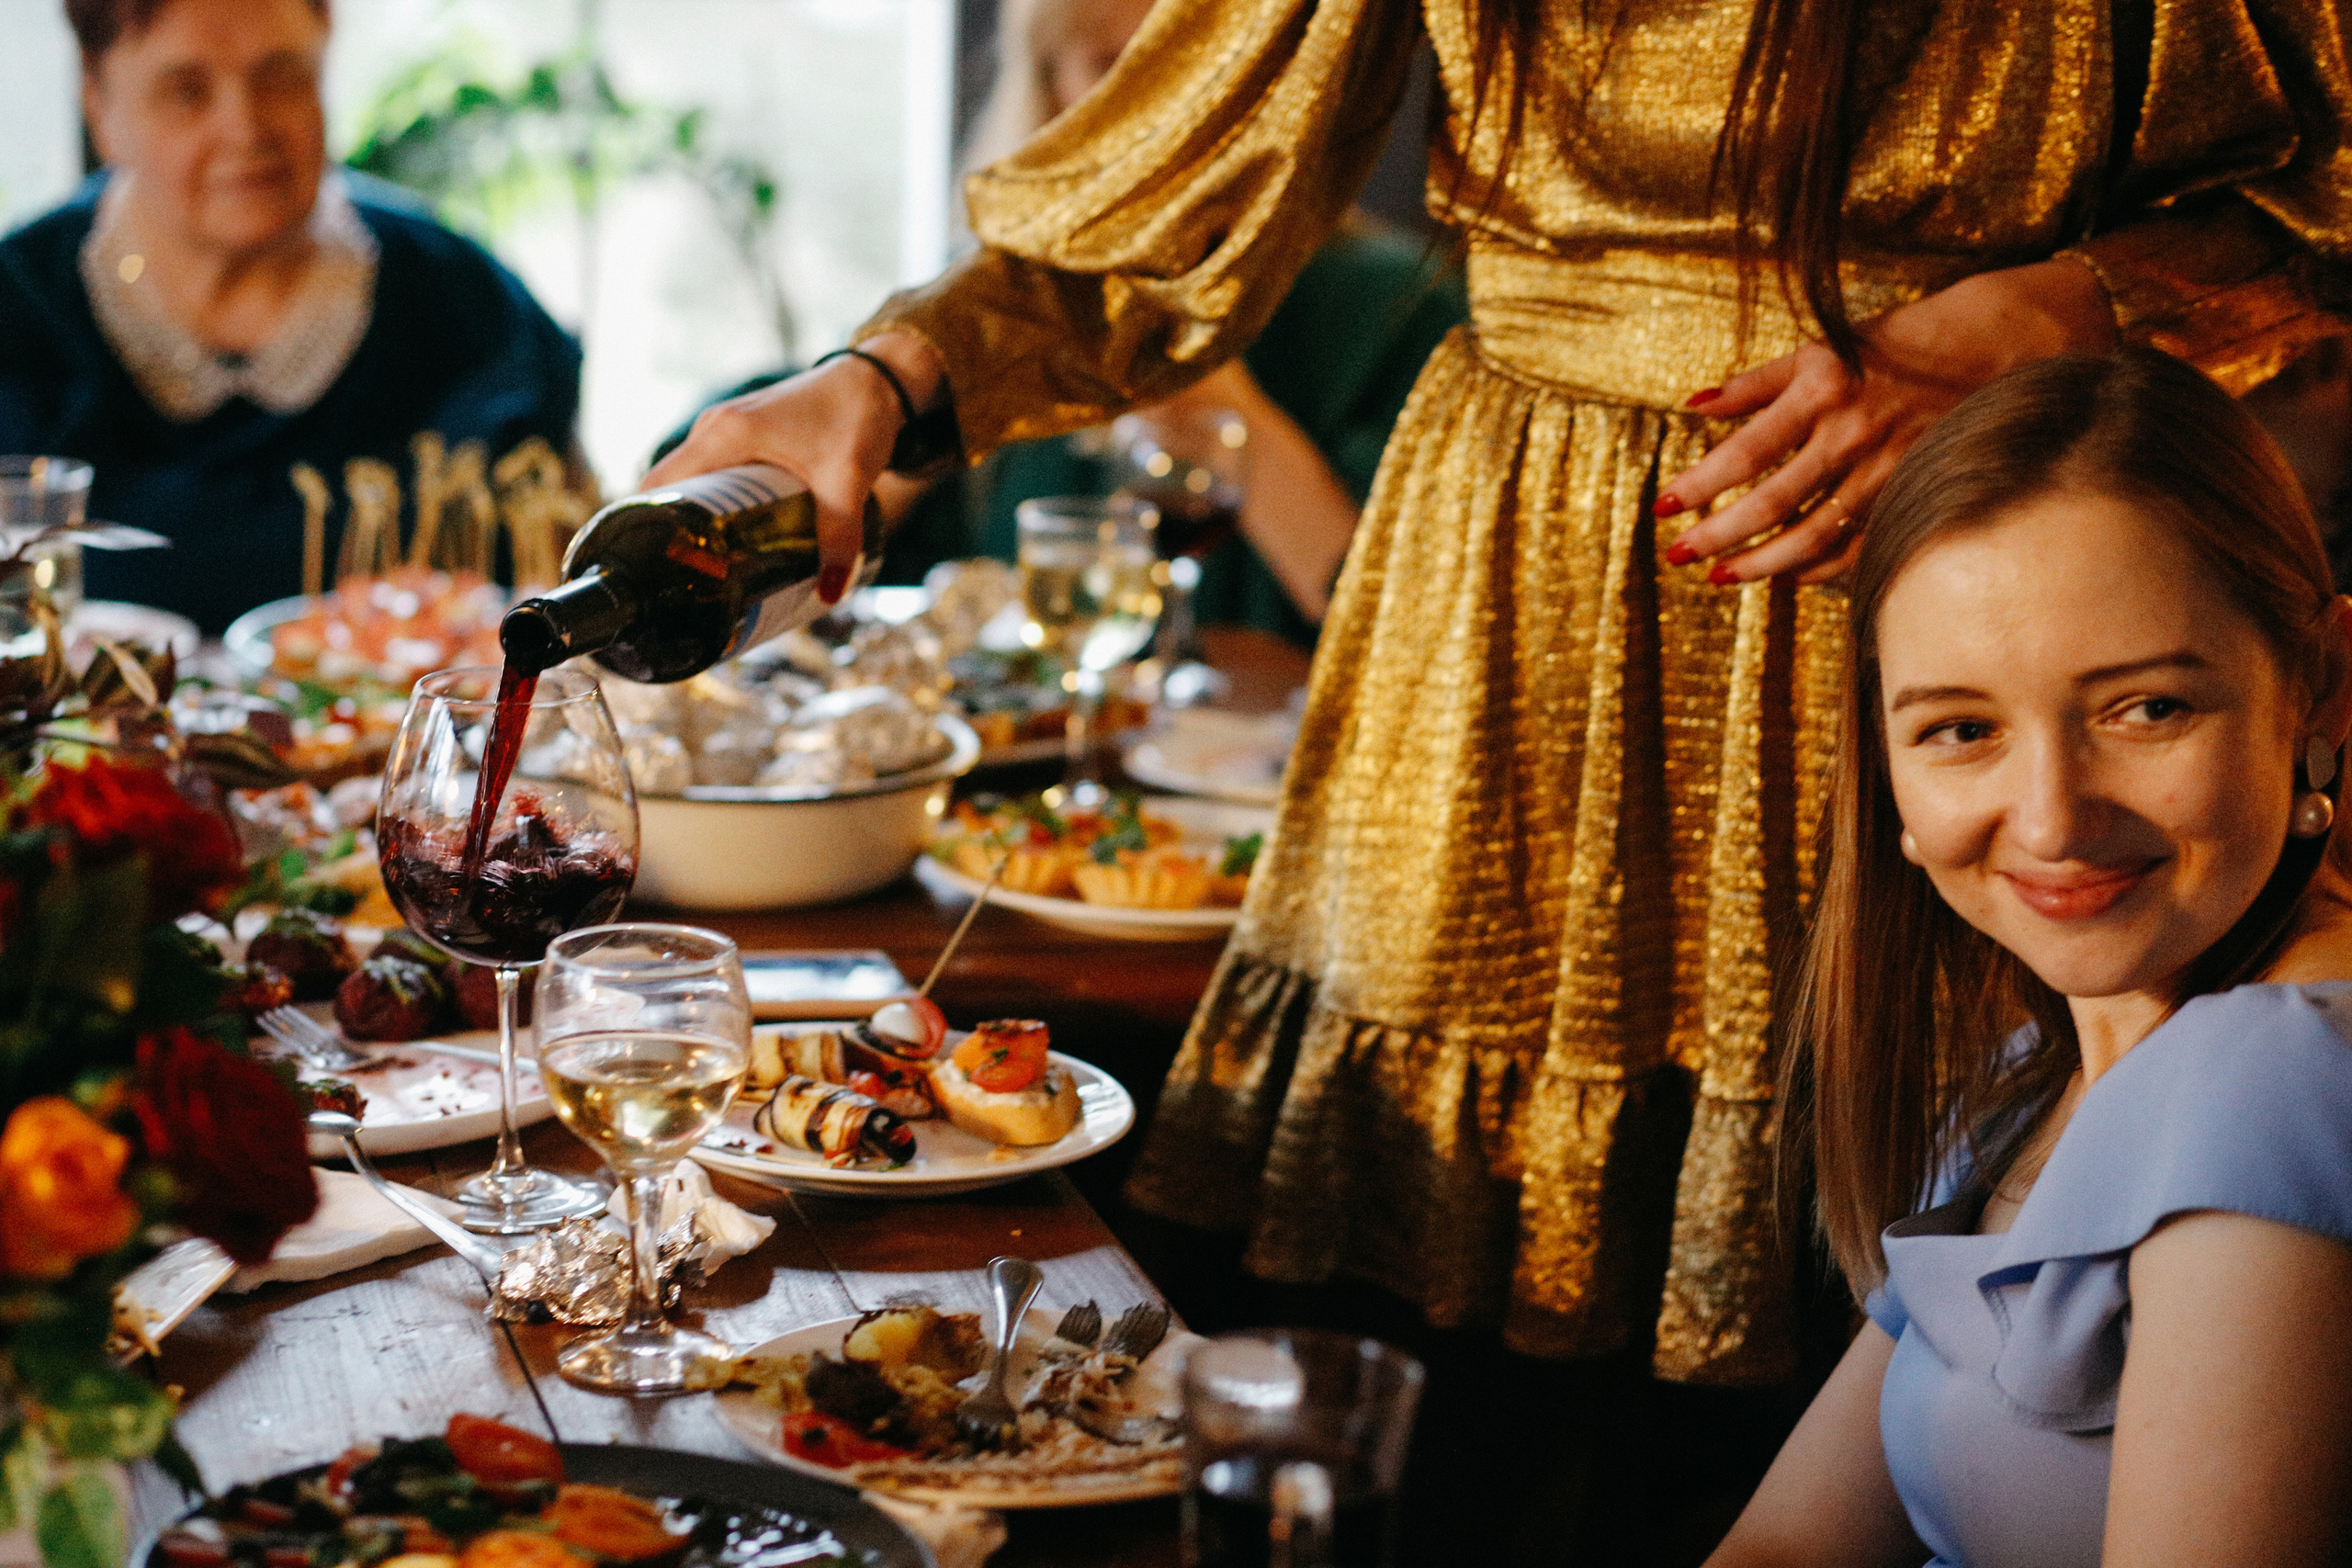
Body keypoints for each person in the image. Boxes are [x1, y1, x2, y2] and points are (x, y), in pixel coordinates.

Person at [648, 0, 2352, 1397]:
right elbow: (1172, 213)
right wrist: (878, 380)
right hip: (1502, 623)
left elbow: (2325, 190)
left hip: (1942, 583)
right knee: (1439, 1368)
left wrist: (2055, 311)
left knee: (1930, 1287)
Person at [1707, 347, 2352, 1567]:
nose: (2051, 819)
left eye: (2146, 708)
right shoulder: (2049, 1054)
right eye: (1961, 729)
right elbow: (1788, 1543)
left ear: (2319, 688)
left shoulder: (2277, 1075)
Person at [0, 0, 581, 633]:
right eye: (187, 91)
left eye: (281, 77)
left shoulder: (467, 305)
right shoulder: (18, 309)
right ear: (100, 105)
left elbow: (572, 574)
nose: (246, 128)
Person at [949, 0, 1465, 640]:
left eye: (1185, 64)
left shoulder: (1397, 303)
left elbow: (1406, 623)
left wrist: (1221, 410)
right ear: (1050, 89)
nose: (1154, 104)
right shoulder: (1007, 298)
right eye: (1110, 66)